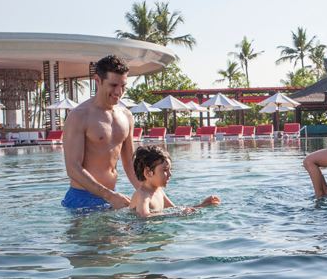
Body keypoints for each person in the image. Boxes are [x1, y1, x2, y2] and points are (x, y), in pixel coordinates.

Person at [61, 55, 139, 210]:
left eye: (123, 86)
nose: (119, 91)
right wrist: (109, 196)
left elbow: (130, 163)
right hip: (81, 199)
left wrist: (148, 192)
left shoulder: (126, 116)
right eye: (113, 85)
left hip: (112, 196)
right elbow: (73, 168)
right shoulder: (79, 116)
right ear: (98, 80)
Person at [130, 145, 221, 218]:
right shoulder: (142, 194)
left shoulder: (159, 191)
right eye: (165, 170)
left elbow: (175, 209)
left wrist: (202, 205)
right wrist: (176, 215)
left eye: (170, 170)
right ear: (148, 172)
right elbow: (144, 216)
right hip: (138, 230)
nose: (170, 174)